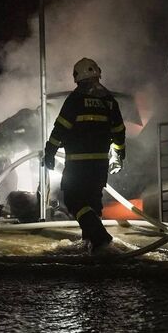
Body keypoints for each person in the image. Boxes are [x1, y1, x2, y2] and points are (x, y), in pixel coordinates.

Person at [44, 58, 126, 253]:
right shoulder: (109, 101)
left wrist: (50, 152)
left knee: (74, 200)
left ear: (77, 77)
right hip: (100, 163)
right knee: (92, 202)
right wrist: (119, 154)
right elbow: (119, 131)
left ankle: (100, 239)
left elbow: (60, 128)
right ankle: (90, 243)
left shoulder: (75, 99)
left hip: (77, 162)